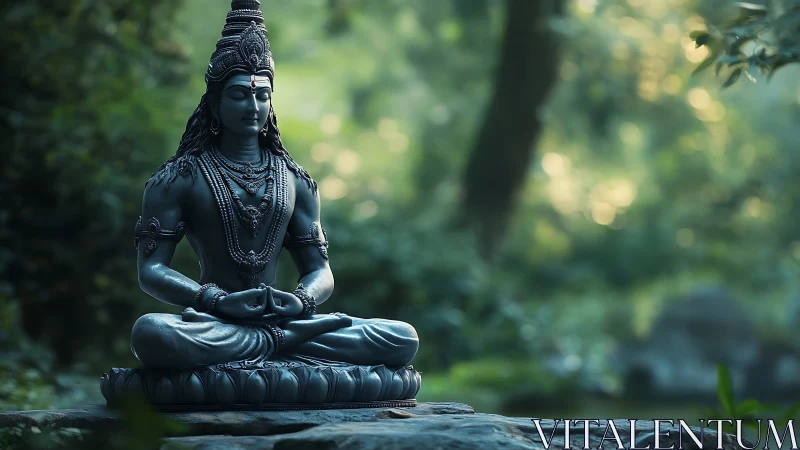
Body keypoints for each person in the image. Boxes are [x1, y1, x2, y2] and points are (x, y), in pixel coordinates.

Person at [129, 0, 418, 371]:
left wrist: (301, 302)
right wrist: (214, 302)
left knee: (401, 336)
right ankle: (281, 346)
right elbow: (151, 271)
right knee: (152, 333)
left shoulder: (295, 180)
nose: (253, 105)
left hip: (284, 316)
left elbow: (320, 270)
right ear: (214, 104)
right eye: (239, 94)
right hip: (215, 321)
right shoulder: (178, 178)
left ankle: (270, 342)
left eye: (262, 95)